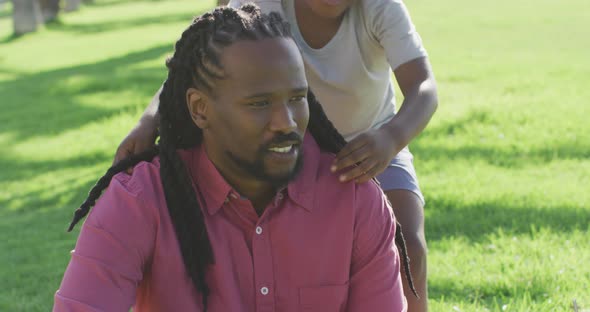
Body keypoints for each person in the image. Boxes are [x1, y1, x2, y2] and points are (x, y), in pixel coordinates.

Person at [54, 5, 414, 311]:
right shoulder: (139, 201)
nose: (286, 123)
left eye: (296, 98)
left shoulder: (354, 200)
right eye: (259, 104)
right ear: (200, 109)